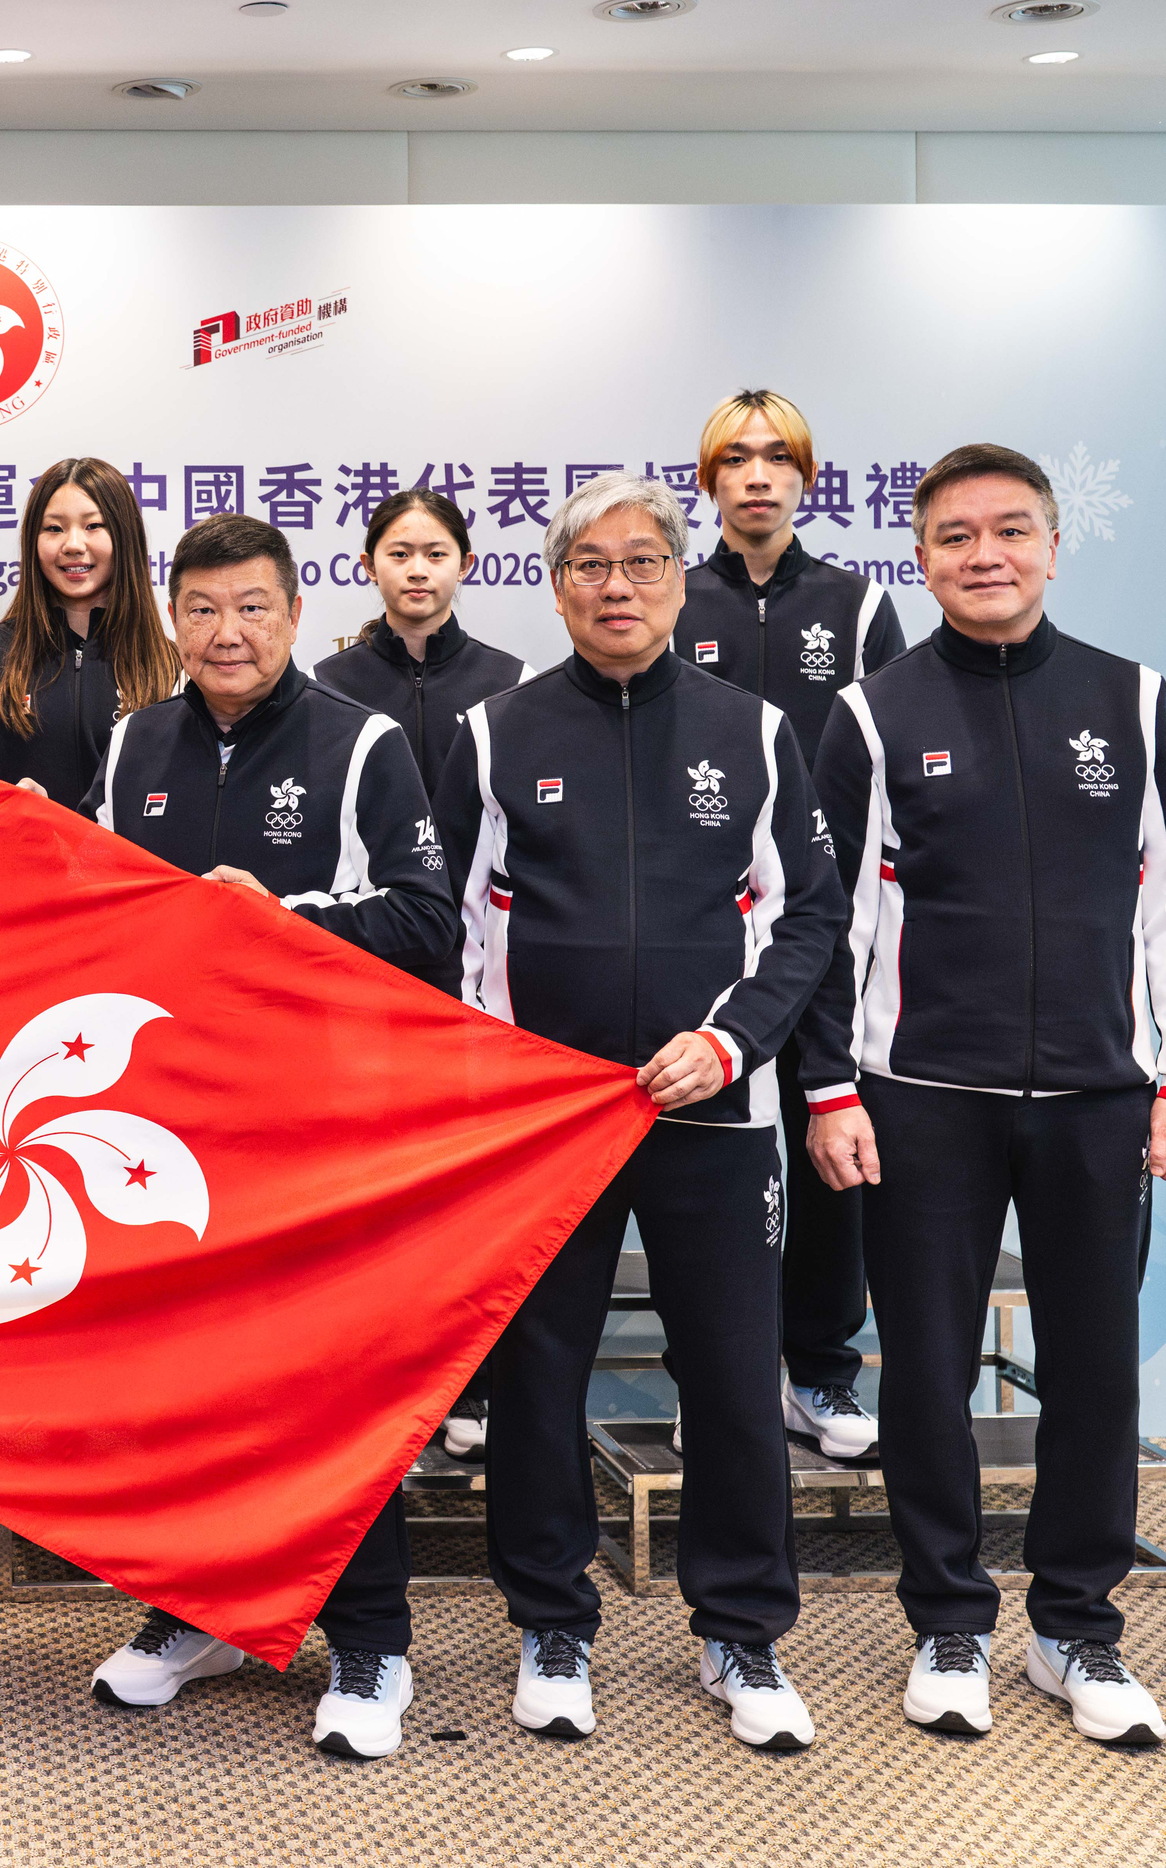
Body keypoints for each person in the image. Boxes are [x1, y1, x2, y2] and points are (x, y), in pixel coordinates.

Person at [798, 444, 1166, 1747]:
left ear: (1050, 544)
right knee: (924, 1368)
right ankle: (947, 1619)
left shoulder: (1132, 700)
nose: (982, 554)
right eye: (953, 536)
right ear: (916, 556)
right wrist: (827, 1084)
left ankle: (1077, 1630)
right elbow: (829, 921)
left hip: (1101, 1098)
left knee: (1093, 1371)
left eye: (1008, 530)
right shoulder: (871, 713)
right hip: (920, 1093)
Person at [431, 471, 841, 1751]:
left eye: (643, 562)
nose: (618, 584)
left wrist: (733, 1042)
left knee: (727, 1376)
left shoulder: (759, 730)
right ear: (557, 586)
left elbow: (809, 916)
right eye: (591, 565)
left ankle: (741, 1635)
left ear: (679, 578)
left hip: (715, 1113)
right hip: (548, 1124)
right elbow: (449, 927)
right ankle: (553, 1624)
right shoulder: (495, 734)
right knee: (540, 1379)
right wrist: (498, 1085)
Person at [76, 512, 459, 1761]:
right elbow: (86, 908)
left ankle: (370, 1642)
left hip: (320, 1128)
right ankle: (199, 1607)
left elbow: (425, 919)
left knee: (335, 1389)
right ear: (170, 620)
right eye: (201, 609)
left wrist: (275, 922)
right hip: (168, 1128)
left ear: (295, 615)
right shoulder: (137, 740)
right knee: (188, 1388)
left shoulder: (365, 745)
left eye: (251, 606)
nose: (225, 632)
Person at [674, 390, 910, 1463]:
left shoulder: (857, 608)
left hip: (831, 914)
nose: (757, 475)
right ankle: (716, 1381)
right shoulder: (670, 597)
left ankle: (819, 1372)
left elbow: (894, 749)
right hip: (703, 922)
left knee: (830, 1129)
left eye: (778, 457)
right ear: (709, 479)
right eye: (738, 458)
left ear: (807, 477)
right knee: (708, 1158)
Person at [315, 485, 531, 1459]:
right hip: (362, 974)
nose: (417, 569)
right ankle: (370, 1383)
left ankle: (470, 1388)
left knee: (466, 1198)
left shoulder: (510, 681)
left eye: (435, 552)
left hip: (476, 977)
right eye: (399, 552)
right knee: (367, 1201)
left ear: (465, 565)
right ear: (371, 566)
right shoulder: (324, 683)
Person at [0, 457, 179, 799]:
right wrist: (14, 811)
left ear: (125, 536)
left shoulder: (173, 666)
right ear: (33, 541)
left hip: (123, 856)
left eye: (93, 526)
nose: (73, 544)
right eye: (54, 528)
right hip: (18, 853)